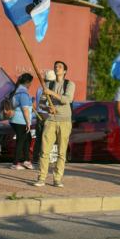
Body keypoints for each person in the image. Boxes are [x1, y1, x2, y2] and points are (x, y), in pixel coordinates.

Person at [33, 60, 75, 188]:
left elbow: (67, 99)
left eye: (60, 66)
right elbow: (41, 104)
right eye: (56, 66)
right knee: (44, 151)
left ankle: (57, 178)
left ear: (65, 71)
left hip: (65, 121)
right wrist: (47, 109)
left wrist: (51, 93)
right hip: (51, 120)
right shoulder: (48, 84)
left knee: (62, 152)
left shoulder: (69, 84)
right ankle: (41, 178)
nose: (57, 68)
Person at [10, 73, 34, 170]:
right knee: (21, 141)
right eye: (30, 83)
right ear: (27, 82)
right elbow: (25, 109)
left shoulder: (16, 91)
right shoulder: (23, 93)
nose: (31, 85)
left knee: (27, 139)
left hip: (15, 120)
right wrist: (28, 122)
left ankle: (27, 160)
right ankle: (15, 163)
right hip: (21, 121)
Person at [32, 70, 54, 166]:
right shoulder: (49, 89)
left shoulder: (40, 88)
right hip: (47, 116)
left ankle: (36, 158)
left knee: (39, 138)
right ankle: (44, 157)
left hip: (39, 115)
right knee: (47, 138)